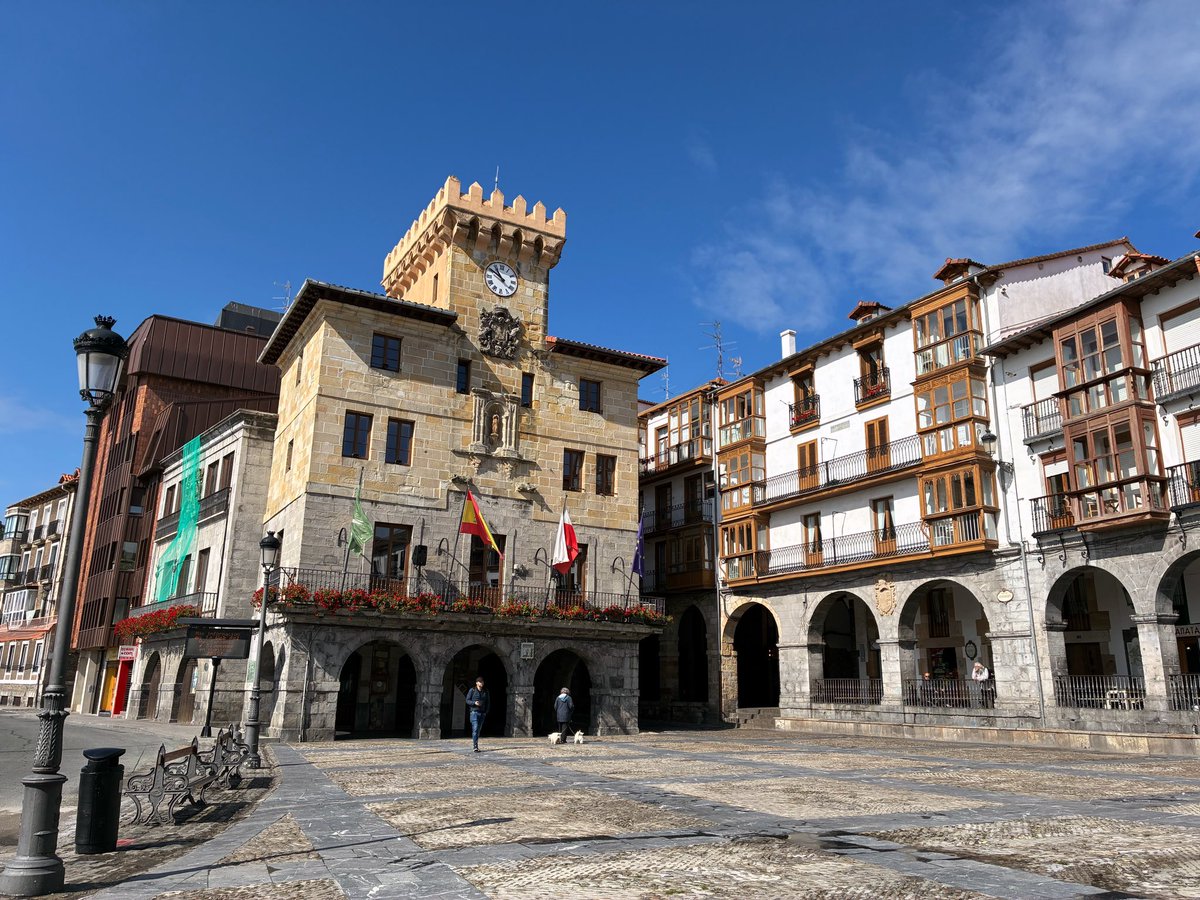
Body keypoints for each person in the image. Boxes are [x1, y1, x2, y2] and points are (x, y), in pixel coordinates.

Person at [465, 676, 489, 752]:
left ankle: (476, 743)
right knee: (475, 728)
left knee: (478, 730)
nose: (481, 683)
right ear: (476, 683)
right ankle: (475, 746)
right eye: (480, 681)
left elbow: (488, 702)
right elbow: (467, 700)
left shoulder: (485, 691)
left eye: (482, 682)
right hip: (474, 712)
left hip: (482, 713)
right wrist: (474, 703)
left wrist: (486, 712)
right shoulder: (472, 690)